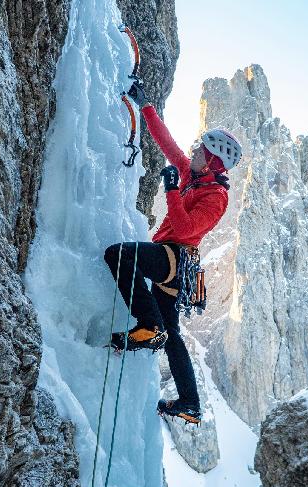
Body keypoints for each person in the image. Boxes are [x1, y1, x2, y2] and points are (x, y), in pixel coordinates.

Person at [104, 81, 242, 424]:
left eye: (200, 152)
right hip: (174, 264)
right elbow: (167, 143)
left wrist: (170, 191)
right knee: (174, 335)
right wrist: (146, 106)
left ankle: (148, 325)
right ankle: (190, 402)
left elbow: (184, 230)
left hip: (176, 258)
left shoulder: (216, 199)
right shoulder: (190, 175)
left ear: (211, 162)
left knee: (118, 255)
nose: (192, 153)